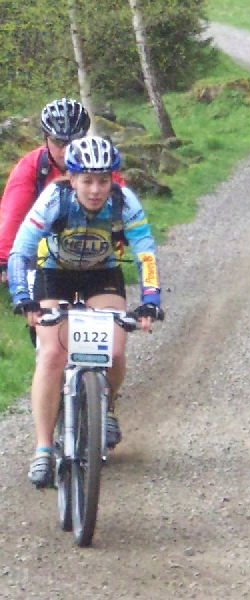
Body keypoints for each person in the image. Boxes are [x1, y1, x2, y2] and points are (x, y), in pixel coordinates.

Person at [7, 135, 163, 488]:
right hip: (54, 275)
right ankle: (44, 448)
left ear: (113, 180)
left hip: (101, 275)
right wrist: (22, 296)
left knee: (116, 348)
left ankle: (105, 405)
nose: (95, 190)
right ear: (72, 179)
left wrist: (151, 299)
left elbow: (146, 253)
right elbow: (21, 249)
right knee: (51, 354)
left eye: (103, 180)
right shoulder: (54, 199)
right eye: (87, 181)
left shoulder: (125, 202)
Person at [0, 98, 127, 282]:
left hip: (96, 249)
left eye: (75, 140)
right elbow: (12, 218)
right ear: (46, 138)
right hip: (42, 251)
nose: (66, 148)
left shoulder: (101, 164)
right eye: (59, 141)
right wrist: (5, 263)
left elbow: (125, 210)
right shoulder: (30, 168)